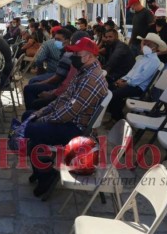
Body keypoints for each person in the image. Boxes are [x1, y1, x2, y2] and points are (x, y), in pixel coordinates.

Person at [22, 37, 108, 197]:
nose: (73, 57)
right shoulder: (84, 72)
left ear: (89, 56)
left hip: (76, 129)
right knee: (29, 118)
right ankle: (43, 170)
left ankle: (45, 173)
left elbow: (70, 110)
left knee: (31, 128)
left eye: (77, 54)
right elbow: (63, 99)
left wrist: (43, 119)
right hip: (70, 120)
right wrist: (41, 113)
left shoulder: (91, 79)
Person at [106, 33, 165, 124]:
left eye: (149, 45)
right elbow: (132, 72)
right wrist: (122, 79)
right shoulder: (142, 58)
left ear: (156, 48)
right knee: (108, 89)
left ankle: (119, 120)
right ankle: (114, 116)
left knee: (114, 95)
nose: (145, 46)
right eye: (144, 44)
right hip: (130, 83)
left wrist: (126, 83)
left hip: (138, 87)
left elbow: (141, 78)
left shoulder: (154, 61)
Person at [25, 31, 89, 110]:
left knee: (30, 88)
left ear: (69, 40)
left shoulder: (72, 57)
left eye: (58, 39)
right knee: (33, 84)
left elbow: (64, 83)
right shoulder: (90, 61)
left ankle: (31, 117)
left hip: (65, 95)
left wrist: (52, 94)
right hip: (67, 91)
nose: (56, 42)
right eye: (55, 39)